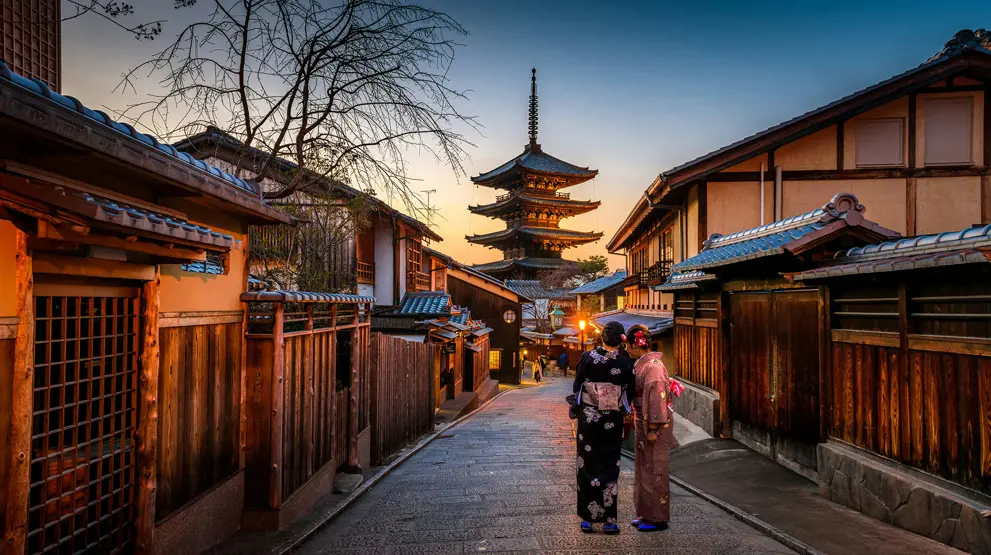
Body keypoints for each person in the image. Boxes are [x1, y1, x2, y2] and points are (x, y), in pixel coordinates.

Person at [573, 321, 635, 534]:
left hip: (589, 421)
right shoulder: (626, 363)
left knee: (587, 465)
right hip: (612, 423)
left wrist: (581, 406)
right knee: (609, 466)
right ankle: (610, 520)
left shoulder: (587, 358)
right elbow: (629, 393)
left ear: (602, 337)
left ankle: (588, 520)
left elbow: (577, 387)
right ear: (621, 340)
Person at [626, 324, 679, 532]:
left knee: (656, 470)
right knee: (644, 469)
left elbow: (657, 399)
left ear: (634, 344)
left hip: (654, 426)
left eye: (627, 345)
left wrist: (653, 428)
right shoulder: (644, 364)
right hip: (644, 422)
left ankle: (658, 518)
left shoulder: (653, 368)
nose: (626, 349)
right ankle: (646, 513)